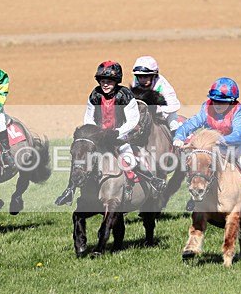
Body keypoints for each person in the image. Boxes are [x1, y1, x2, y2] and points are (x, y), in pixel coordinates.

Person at [54, 61, 166, 206]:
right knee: (80, 158)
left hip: (120, 137)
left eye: (109, 81)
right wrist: (96, 134)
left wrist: (118, 132)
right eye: (102, 81)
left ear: (116, 81)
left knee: (130, 160)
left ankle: (153, 180)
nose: (105, 84)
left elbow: (133, 120)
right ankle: (69, 191)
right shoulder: (95, 94)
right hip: (99, 138)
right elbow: (89, 117)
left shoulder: (125, 94)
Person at [172, 77, 241, 210]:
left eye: (222, 102)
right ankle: (195, 196)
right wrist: (179, 136)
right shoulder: (207, 108)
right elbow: (191, 123)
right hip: (217, 146)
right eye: (215, 100)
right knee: (201, 163)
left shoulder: (238, 111)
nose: (217, 104)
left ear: (231, 101)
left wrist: (220, 140)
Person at [130, 55, 182, 132]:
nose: (142, 79)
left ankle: (177, 138)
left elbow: (174, 106)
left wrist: (157, 109)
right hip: (143, 111)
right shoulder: (135, 81)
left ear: (154, 75)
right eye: (139, 76)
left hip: (163, 111)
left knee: (172, 122)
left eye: (146, 76)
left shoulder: (163, 85)